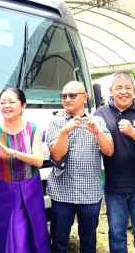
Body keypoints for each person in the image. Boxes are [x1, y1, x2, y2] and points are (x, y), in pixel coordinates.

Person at [0, 88, 50, 253]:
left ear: (23, 106)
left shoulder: (33, 129)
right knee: (0, 236)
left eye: (11, 102)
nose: (6, 106)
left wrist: (13, 152)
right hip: (0, 192)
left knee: (28, 235)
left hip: (29, 190)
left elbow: (38, 160)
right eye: (2, 102)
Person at [46, 81, 114, 253]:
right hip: (62, 191)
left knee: (89, 241)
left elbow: (109, 151)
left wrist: (97, 132)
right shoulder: (56, 122)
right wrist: (64, 132)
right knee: (59, 241)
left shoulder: (97, 121)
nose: (67, 99)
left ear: (85, 97)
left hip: (90, 192)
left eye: (72, 95)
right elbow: (56, 155)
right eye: (64, 96)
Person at [94, 70, 135, 253]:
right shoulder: (100, 113)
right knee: (116, 233)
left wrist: (132, 132)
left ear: (134, 91)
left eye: (128, 87)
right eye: (119, 87)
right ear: (111, 90)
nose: (123, 91)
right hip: (114, 185)